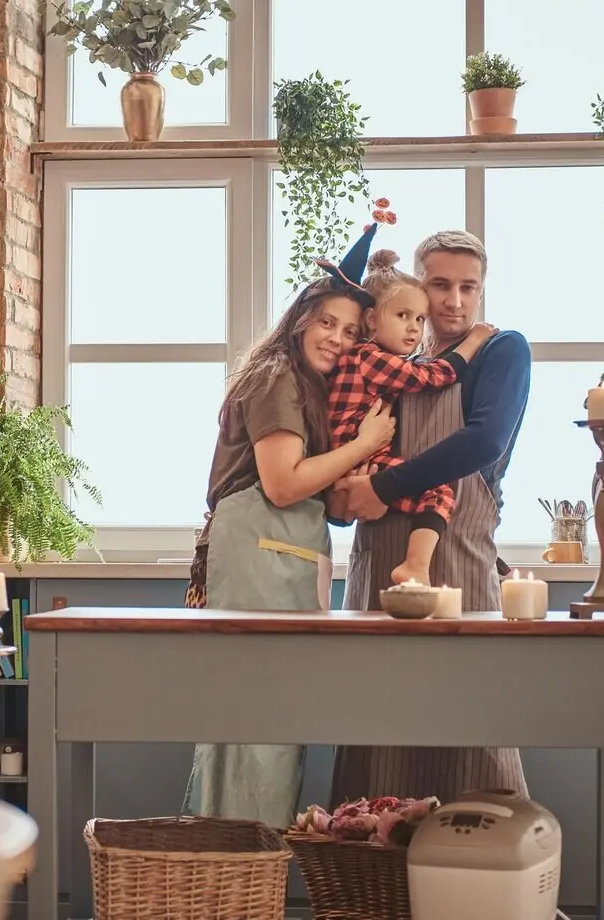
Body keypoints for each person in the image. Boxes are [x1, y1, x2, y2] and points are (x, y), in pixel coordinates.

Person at [181, 228, 396, 829]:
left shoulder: (312, 388)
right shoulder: (277, 376)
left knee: (274, 733)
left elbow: (318, 493)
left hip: (285, 565)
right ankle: (237, 879)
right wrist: (364, 445)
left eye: (352, 331)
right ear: (301, 318)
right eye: (327, 322)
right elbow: (280, 484)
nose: (338, 338)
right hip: (256, 561)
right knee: (253, 734)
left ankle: (252, 881)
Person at [329, 229, 532, 805]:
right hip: (376, 573)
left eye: (469, 287)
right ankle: (371, 895)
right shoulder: (394, 362)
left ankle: (484, 892)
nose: (454, 301)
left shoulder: (501, 351)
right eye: (440, 285)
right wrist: (345, 494)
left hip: (456, 569)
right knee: (379, 737)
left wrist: (382, 486)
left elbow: (482, 443)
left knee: (469, 727)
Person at [328, 248, 497, 586]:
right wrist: (475, 339)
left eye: (418, 319)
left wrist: (375, 488)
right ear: (372, 320)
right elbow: (434, 376)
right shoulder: (375, 360)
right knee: (440, 494)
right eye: (403, 315)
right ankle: (416, 566)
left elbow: (486, 441)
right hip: (359, 484)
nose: (413, 328)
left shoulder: (505, 349)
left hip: (460, 560)